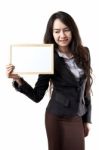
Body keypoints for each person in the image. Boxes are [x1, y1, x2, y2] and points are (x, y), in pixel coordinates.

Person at [6, 11, 92, 150]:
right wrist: (18, 79)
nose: (62, 35)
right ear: (51, 34)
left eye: (66, 30)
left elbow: (86, 89)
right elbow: (37, 96)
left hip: (77, 115)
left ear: (73, 30)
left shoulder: (85, 52)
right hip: (56, 117)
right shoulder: (47, 57)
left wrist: (87, 119)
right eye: (57, 31)